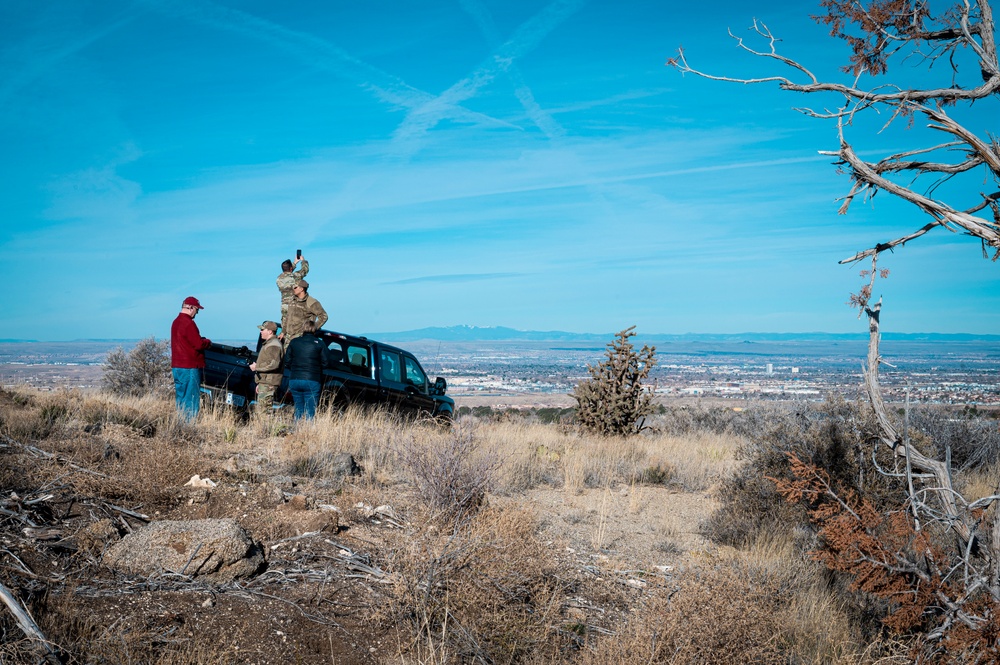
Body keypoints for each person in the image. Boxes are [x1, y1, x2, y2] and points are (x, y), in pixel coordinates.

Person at [170, 296, 211, 422]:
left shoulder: (176, 322)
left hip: (177, 366)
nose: (196, 313)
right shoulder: (188, 323)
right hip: (189, 367)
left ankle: (180, 424)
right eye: (197, 310)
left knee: (181, 397)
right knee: (191, 399)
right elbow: (198, 344)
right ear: (191, 308)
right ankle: (189, 427)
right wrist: (207, 342)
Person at [283, 320, 328, 420]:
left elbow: (287, 361)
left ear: (303, 328)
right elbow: (326, 363)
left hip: (295, 378)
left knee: (298, 408)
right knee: (310, 410)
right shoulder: (319, 343)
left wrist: (294, 369)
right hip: (312, 379)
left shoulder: (294, 342)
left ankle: (297, 430)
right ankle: (307, 432)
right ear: (314, 329)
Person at [249, 320, 283, 414]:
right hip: (265, 382)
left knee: (265, 411)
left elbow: (273, 364)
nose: (261, 332)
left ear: (270, 331)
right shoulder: (269, 344)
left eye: (263, 329)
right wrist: (260, 383)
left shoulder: (274, 345)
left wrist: (257, 367)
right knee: (262, 409)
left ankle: (265, 428)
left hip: (269, 383)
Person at [283, 279, 328, 345]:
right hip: (288, 338)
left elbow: (324, 316)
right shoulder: (292, 301)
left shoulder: (311, 302)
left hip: (301, 339)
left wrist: (310, 330)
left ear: (302, 289)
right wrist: (283, 332)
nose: (293, 289)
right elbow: (288, 317)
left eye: (295, 287)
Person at [277, 256, 309, 335]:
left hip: (284, 306)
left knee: (285, 326)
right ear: (291, 268)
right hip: (294, 305)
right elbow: (305, 270)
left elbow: (287, 273)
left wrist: (294, 263)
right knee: (296, 327)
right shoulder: (295, 276)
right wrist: (303, 261)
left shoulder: (279, 279)